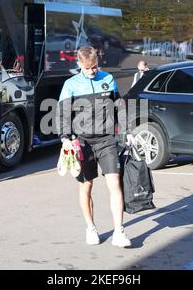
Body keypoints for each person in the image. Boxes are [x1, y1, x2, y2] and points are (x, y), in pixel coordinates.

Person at [58, 46, 136, 248]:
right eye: (88, 68)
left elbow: (119, 106)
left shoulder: (107, 79)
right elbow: (63, 113)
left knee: (114, 184)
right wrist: (65, 138)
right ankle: (91, 228)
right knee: (86, 186)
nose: (92, 71)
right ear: (79, 65)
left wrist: (126, 131)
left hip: (106, 140)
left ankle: (119, 232)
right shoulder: (70, 85)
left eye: (94, 67)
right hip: (82, 143)